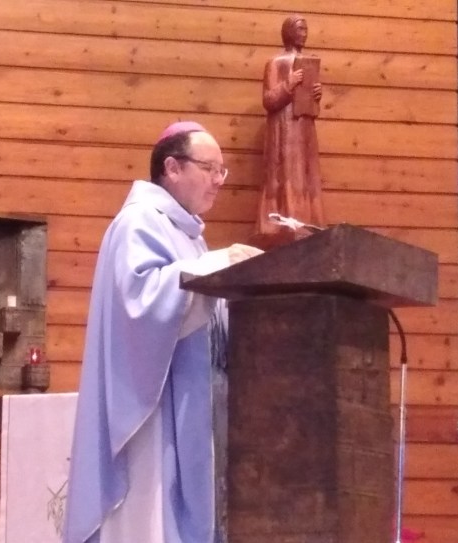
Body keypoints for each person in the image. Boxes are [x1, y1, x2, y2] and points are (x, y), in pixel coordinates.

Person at [63, 121, 262, 542]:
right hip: (152, 410)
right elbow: (141, 303)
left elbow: (205, 317)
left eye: (222, 171)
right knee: (151, 516)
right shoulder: (138, 222)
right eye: (209, 168)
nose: (219, 180)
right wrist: (219, 265)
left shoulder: (190, 237)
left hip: (191, 402)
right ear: (172, 167)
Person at [256, 14, 325, 236]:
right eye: (299, 29)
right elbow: (269, 100)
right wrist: (289, 84)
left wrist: (315, 96)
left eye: (306, 29)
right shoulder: (275, 63)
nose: (304, 34)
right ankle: (281, 222)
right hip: (283, 130)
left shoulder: (309, 63)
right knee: (285, 174)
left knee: (305, 174)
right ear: (288, 32)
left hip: (304, 129)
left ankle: (308, 221)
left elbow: (312, 107)